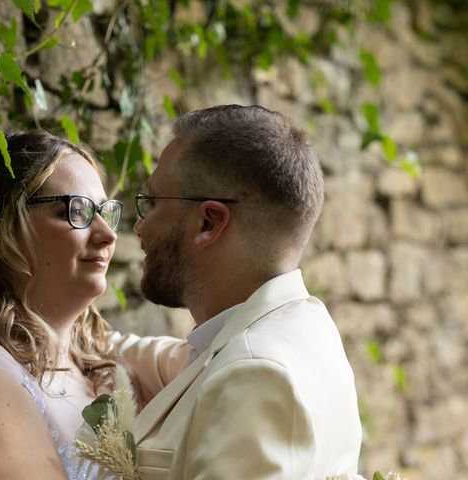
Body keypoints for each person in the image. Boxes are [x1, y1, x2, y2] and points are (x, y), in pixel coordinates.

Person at [0, 129, 189, 479]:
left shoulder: (92, 357)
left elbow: (223, 360)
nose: (108, 234)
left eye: (105, 211)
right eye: (77, 210)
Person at [115, 105, 362, 479]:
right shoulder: (301, 325)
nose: (139, 226)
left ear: (208, 223)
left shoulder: (256, 373)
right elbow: (170, 359)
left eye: (152, 202)